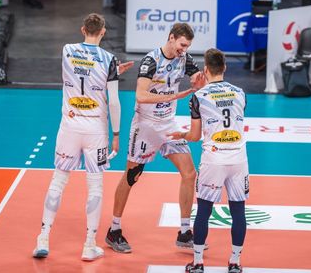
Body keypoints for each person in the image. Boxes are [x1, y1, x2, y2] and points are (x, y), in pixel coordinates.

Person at [32, 13, 134, 261]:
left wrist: (110, 72)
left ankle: (42, 239)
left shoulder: (67, 50)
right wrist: (116, 133)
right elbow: (114, 103)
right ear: (103, 32)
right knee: (95, 186)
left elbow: (83, 71)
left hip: (69, 127)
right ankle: (89, 245)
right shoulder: (109, 60)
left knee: (58, 181)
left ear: (82, 30)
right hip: (95, 131)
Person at [106, 23, 206, 253]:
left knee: (189, 173)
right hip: (146, 126)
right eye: (182, 44)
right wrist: (174, 96)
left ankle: (184, 232)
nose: (184, 49)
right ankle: (114, 230)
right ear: (171, 38)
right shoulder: (151, 61)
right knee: (131, 176)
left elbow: (198, 81)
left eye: (187, 46)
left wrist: (200, 83)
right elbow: (140, 96)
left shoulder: (184, 59)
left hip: (168, 125)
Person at [169, 48, 248, 273]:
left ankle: (198, 263)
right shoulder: (240, 93)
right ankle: (235, 263)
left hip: (214, 159)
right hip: (238, 159)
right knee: (238, 211)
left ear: (205, 70)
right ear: (224, 68)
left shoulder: (198, 97)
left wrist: (181, 134)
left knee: (204, 210)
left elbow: (195, 136)